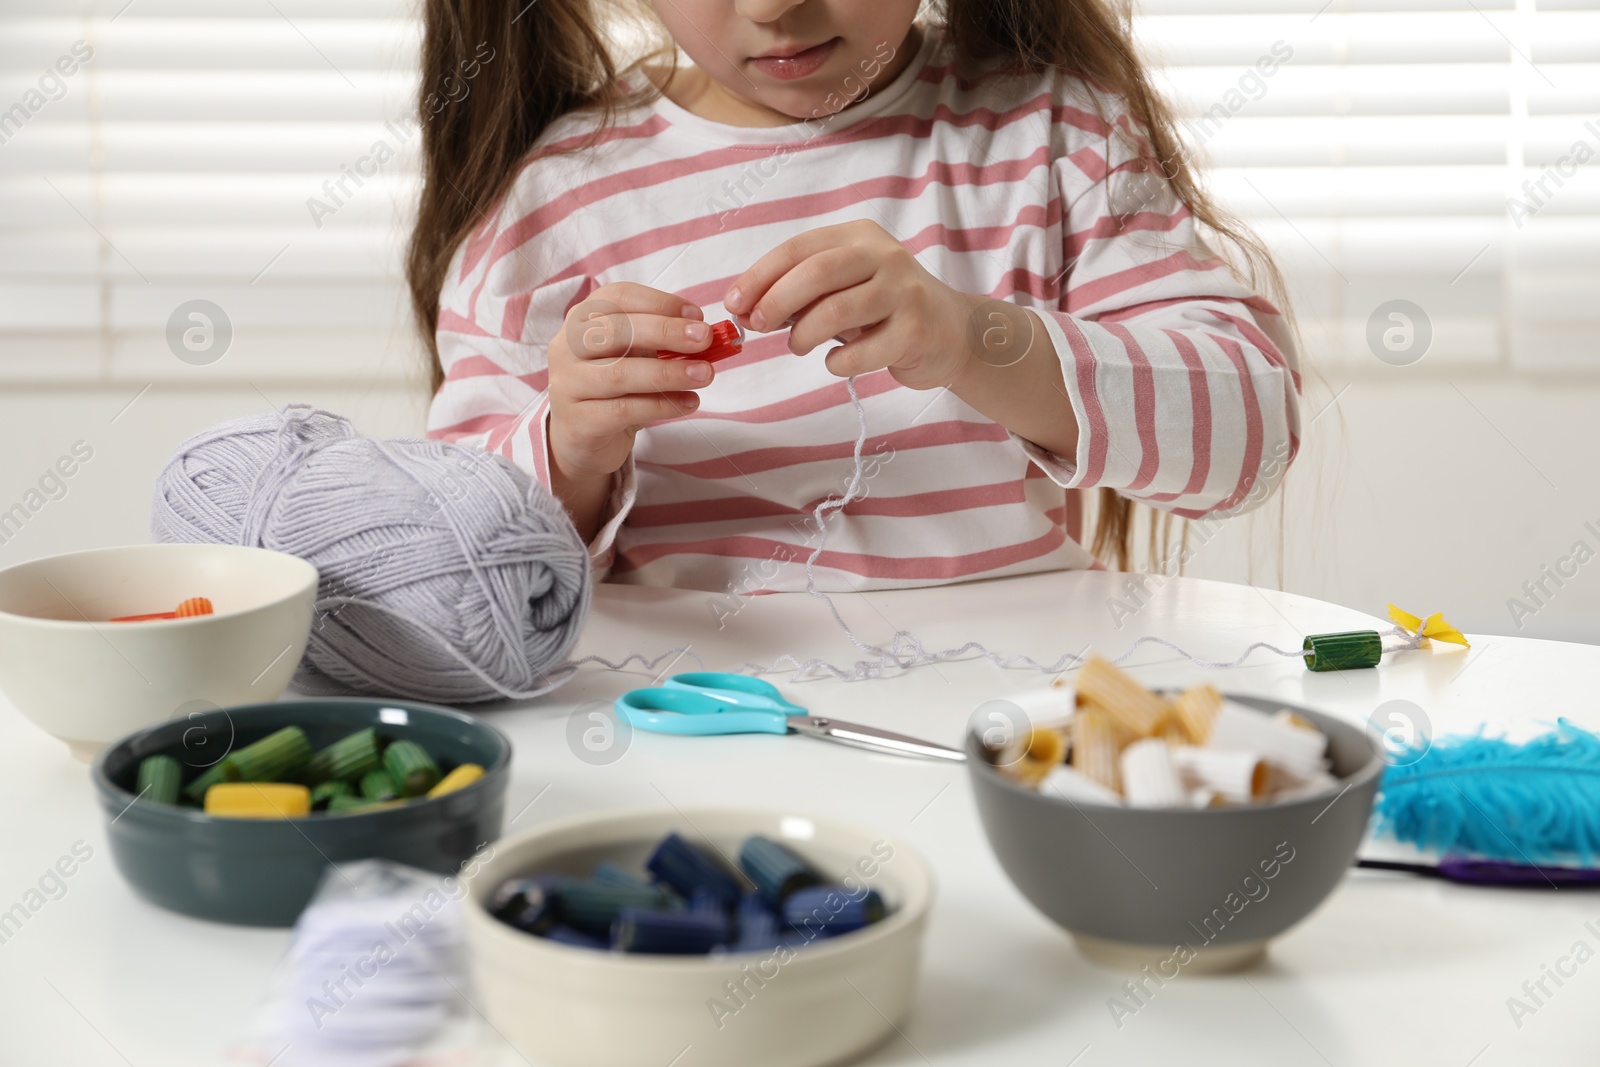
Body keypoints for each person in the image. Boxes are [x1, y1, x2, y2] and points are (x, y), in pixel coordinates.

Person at [408, 0, 1301, 593]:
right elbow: (455, 562)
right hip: (701, 742)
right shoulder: (550, 203)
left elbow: (1250, 440)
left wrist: (971, 339)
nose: (772, 4)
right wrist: (570, 450)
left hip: (1008, 722)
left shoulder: (1049, 128)